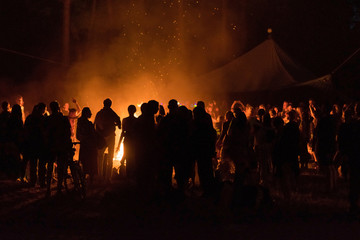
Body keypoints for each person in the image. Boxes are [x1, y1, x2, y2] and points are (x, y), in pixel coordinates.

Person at [45, 101, 72, 196]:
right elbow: (69, 133)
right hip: (61, 146)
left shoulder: (48, 119)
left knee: (50, 167)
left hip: (51, 146)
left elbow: (45, 133)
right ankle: (59, 188)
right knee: (61, 167)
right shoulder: (63, 119)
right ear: (58, 108)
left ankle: (48, 189)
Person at [94, 98, 121, 183]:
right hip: (110, 136)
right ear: (110, 104)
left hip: (101, 136)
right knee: (110, 156)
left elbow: (95, 125)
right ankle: (108, 178)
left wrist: (100, 133)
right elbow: (119, 124)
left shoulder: (99, 113)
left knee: (100, 157)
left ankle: (100, 176)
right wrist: (115, 124)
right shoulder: (112, 113)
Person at [76, 107, 98, 184]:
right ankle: (90, 179)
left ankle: (83, 178)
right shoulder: (88, 124)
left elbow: (78, 136)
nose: (91, 114)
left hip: (84, 145)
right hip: (90, 147)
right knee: (91, 162)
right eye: (89, 112)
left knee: (84, 162)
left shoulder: (79, 123)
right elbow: (93, 135)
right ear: (86, 113)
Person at [116, 105, 137, 180]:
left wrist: (118, 145)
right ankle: (131, 176)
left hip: (128, 140)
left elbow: (122, 133)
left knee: (128, 157)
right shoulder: (136, 121)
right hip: (133, 141)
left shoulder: (125, 120)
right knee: (132, 158)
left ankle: (128, 175)